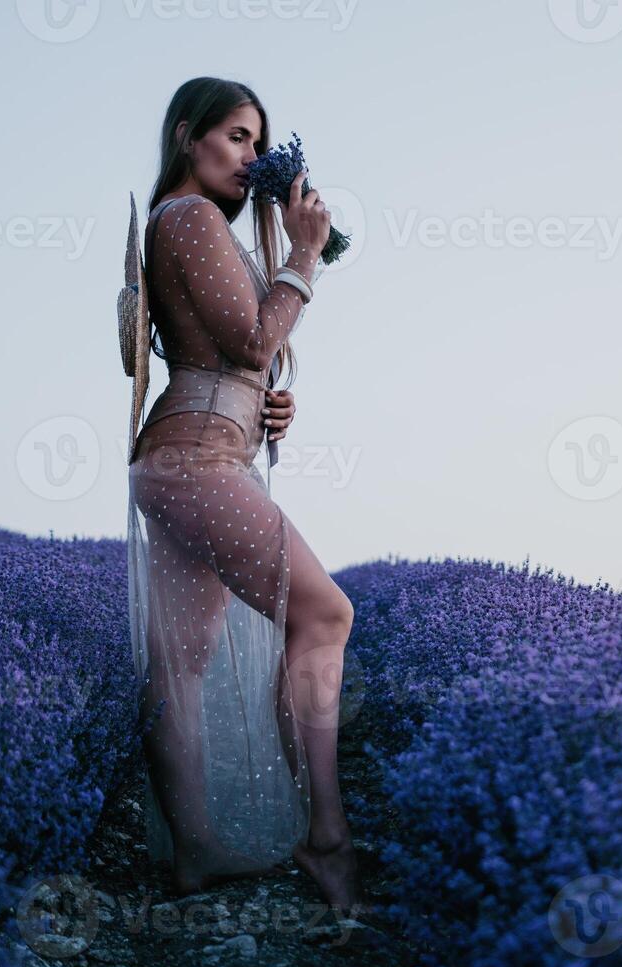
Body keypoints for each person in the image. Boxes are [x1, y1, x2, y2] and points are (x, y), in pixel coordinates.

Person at [121, 75, 362, 916]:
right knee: (325, 615)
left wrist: (267, 408)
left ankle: (192, 853)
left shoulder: (191, 229)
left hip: (185, 456)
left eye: (260, 142)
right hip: (195, 467)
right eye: (235, 137)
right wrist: (302, 256)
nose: (252, 157)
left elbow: (232, 360)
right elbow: (254, 337)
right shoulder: (187, 218)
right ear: (188, 137)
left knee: (181, 665)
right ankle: (325, 838)